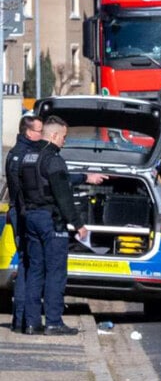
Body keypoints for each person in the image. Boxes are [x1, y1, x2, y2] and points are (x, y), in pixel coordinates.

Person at [18, 116, 88, 336]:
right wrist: (78, 224)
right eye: (64, 137)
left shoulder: (27, 156)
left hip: (31, 217)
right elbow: (63, 195)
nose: (64, 141)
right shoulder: (53, 159)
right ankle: (53, 322)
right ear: (55, 135)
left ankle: (31, 323)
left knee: (35, 270)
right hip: (51, 220)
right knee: (55, 272)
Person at [5, 113, 44, 331]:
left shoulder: (15, 153)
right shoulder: (25, 156)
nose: (42, 135)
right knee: (27, 264)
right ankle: (22, 319)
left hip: (19, 211)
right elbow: (23, 190)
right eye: (39, 131)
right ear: (29, 132)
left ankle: (20, 318)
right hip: (24, 213)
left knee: (26, 263)